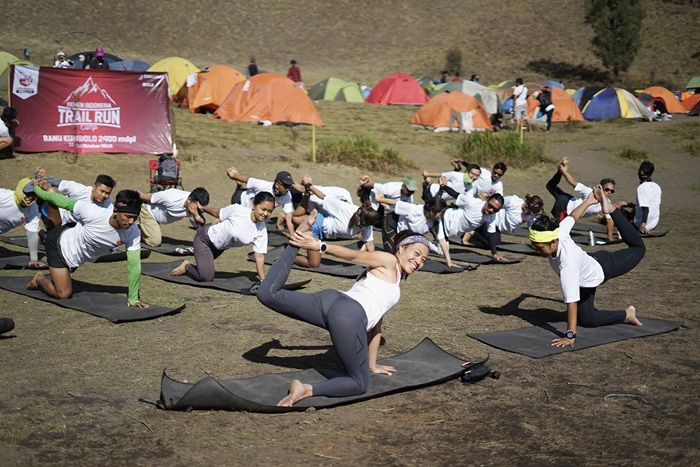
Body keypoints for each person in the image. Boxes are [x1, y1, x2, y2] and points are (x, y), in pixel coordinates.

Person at [257, 215, 430, 407]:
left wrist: (372, 364)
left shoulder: (392, 278)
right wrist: (321, 246)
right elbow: (354, 256)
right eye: (416, 253)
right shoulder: (389, 261)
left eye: (423, 260)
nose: (419, 261)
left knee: (268, 294)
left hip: (332, 301)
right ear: (402, 248)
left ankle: (296, 239)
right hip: (348, 314)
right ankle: (305, 389)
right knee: (359, 384)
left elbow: (376, 326)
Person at [529, 186, 643, 348]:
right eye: (535, 246)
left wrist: (570, 335)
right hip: (586, 272)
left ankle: (612, 210)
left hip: (604, 267)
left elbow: (571, 302)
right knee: (589, 321)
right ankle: (627, 314)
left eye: (540, 247)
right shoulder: (558, 232)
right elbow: (573, 216)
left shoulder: (567, 264)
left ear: (553, 241)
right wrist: (589, 201)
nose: (537, 250)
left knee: (639, 249)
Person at [27, 184, 148, 307]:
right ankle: (39, 279)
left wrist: (133, 298)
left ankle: (61, 271)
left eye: (135, 218)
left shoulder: (133, 232)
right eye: (128, 217)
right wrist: (36, 189)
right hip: (59, 245)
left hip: (78, 256)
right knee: (63, 294)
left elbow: (134, 266)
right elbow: (61, 200)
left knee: (66, 276)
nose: (131, 222)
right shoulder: (93, 212)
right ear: (115, 211)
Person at [171, 192, 273, 282]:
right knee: (206, 277)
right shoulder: (238, 210)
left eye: (269, 211)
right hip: (204, 240)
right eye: (263, 209)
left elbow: (259, 256)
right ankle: (186, 266)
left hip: (219, 248)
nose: (265, 214)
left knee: (205, 268)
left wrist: (263, 280)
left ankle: (200, 264)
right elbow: (218, 212)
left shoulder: (262, 231)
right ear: (254, 205)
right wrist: (202, 208)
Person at [291, 185, 378, 268]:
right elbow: (324, 197)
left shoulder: (367, 226)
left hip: (322, 232)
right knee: (313, 263)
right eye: (358, 214)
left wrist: (375, 265)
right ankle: (287, 259)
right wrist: (310, 186)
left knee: (295, 220)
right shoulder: (346, 209)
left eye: (360, 219)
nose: (356, 216)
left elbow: (370, 246)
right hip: (316, 225)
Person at [545, 157, 618, 241]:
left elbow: (610, 221)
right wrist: (564, 171)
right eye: (607, 189)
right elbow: (572, 182)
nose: (609, 192)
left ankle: (560, 170)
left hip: (568, 199)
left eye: (612, 191)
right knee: (559, 229)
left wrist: (609, 237)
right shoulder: (589, 192)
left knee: (550, 186)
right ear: (600, 188)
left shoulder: (607, 203)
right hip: (564, 206)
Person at [435, 193, 506, 267]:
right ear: (487, 201)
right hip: (445, 219)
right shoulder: (472, 202)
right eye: (490, 206)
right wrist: (443, 186)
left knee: (440, 251)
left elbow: (491, 234)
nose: (491, 210)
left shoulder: (491, 216)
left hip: (455, 232)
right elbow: (455, 194)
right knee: (440, 250)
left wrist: (494, 254)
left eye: (495, 210)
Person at [227, 167, 299, 234]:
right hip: (240, 199)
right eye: (285, 186)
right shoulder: (264, 185)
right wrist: (234, 176)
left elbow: (289, 217)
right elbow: (249, 180)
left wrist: (292, 236)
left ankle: (239, 186)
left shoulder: (287, 195)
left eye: (289, 186)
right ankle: (239, 186)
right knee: (238, 226)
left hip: (254, 209)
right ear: (277, 184)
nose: (288, 189)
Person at [36, 172, 115, 230]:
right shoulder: (79, 189)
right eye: (102, 191)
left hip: (74, 225)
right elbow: (53, 181)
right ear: (94, 187)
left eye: (107, 193)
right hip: (57, 213)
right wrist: (40, 179)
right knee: (52, 230)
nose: (104, 195)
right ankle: (40, 233)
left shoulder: (108, 205)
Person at [358, 175, 417, 250]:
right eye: (409, 190)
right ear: (403, 186)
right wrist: (364, 183)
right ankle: (365, 240)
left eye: (412, 191)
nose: (411, 192)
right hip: (373, 199)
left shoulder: (409, 197)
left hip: (386, 204)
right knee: (370, 219)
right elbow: (374, 186)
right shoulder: (391, 188)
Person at [374, 193, 447, 252]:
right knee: (391, 256)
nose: (442, 216)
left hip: (405, 234)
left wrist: (448, 261)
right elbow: (395, 203)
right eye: (441, 213)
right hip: (391, 224)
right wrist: (380, 199)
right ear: (432, 211)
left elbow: (442, 241)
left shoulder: (435, 221)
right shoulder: (414, 209)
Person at [137, 188, 209, 247]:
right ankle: (136, 230)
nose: (200, 210)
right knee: (154, 242)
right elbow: (144, 196)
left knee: (154, 236)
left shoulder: (199, 206)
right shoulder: (171, 197)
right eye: (197, 207)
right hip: (148, 212)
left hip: (159, 218)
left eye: (201, 208)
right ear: (189, 200)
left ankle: (147, 228)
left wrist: (196, 215)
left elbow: (202, 222)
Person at [464, 194, 543, 246]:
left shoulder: (531, 214)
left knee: (496, 243)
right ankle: (472, 231)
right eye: (530, 211)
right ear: (526, 205)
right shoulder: (513, 201)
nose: (530, 214)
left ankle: (479, 230)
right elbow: (497, 203)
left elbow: (532, 229)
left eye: (533, 213)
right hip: (493, 222)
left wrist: (537, 244)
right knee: (492, 243)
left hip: (499, 229)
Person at [0, 178, 42, 268]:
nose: (30, 197)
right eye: (27, 193)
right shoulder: (3, 196)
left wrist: (34, 259)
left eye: (34, 194)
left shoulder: (33, 209)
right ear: (19, 190)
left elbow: (32, 233)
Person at [620, 160, 662, 234]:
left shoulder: (641, 188)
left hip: (641, 224)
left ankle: (605, 221)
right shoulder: (657, 187)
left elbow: (645, 208)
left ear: (641, 172)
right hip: (654, 223)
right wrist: (628, 205)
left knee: (617, 211)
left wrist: (643, 225)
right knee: (635, 208)